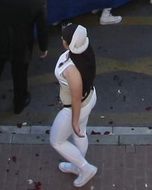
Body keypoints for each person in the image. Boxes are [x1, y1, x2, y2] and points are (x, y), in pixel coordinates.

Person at [49, 24, 98, 187]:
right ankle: (77, 165)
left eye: (64, 37)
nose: (61, 39)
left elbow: (76, 98)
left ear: (68, 43)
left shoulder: (72, 70)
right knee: (80, 134)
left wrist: (74, 121)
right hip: (90, 97)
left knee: (57, 141)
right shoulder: (85, 51)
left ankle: (85, 168)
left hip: (75, 107)